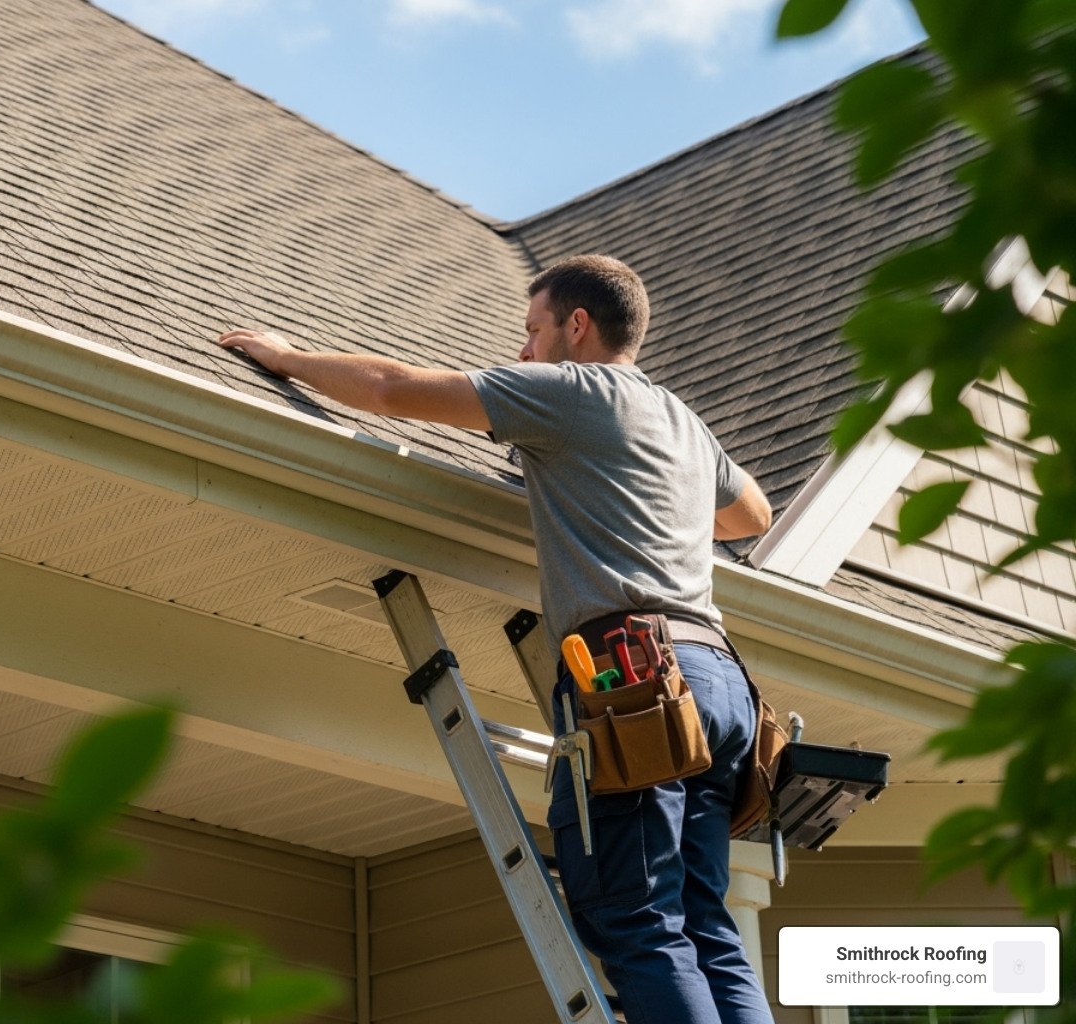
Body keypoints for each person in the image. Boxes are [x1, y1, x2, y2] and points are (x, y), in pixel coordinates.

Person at [216, 253, 775, 1024]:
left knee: (635, 917)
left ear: (577, 327)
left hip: (634, 675)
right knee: (706, 923)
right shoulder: (680, 419)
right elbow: (753, 516)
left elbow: (390, 389)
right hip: (719, 680)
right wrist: (640, 495)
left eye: (533, 331)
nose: (523, 352)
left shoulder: (571, 391)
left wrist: (285, 356)